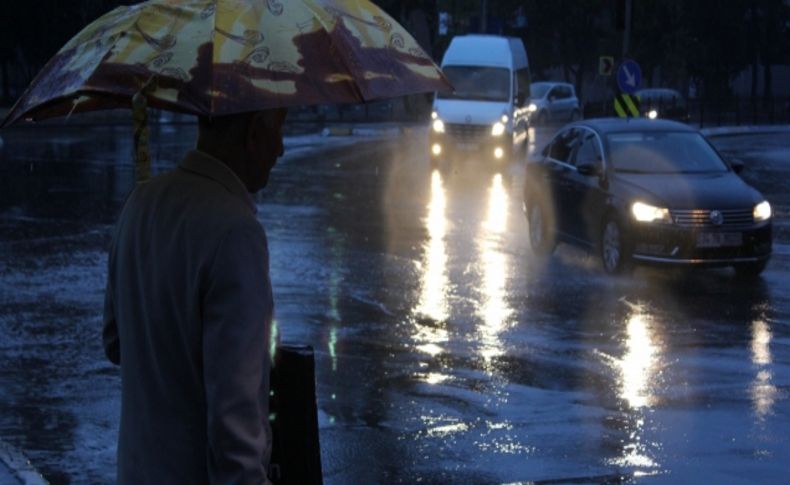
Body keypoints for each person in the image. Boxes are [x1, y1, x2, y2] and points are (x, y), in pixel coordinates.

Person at [102, 108, 288, 484]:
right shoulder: (236, 233)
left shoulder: (140, 203)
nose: (281, 149)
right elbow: (234, 424)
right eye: (279, 129)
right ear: (253, 133)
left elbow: (114, 342)